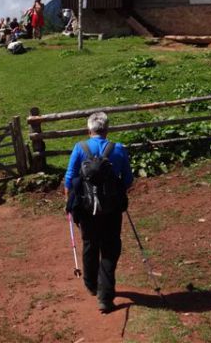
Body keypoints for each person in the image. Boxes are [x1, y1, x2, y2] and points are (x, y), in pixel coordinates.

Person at [64, 111, 134, 314]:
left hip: (86, 209)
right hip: (111, 209)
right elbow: (128, 180)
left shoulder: (80, 148)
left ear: (89, 129)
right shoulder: (118, 149)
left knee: (90, 243)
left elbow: (69, 178)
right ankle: (105, 296)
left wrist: (69, 202)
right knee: (110, 248)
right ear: (107, 129)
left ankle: (91, 284)